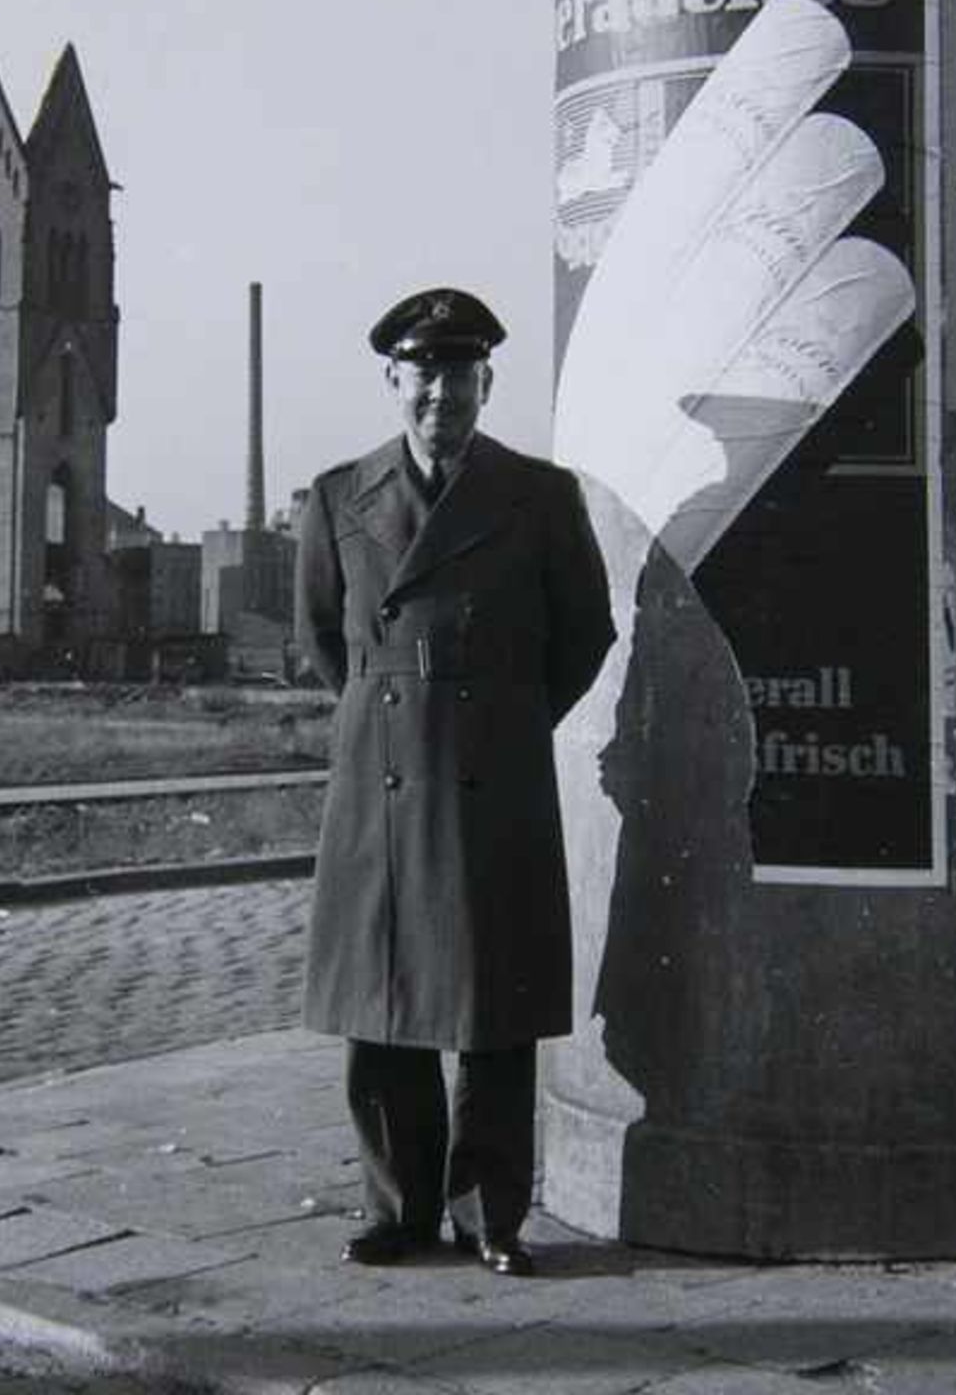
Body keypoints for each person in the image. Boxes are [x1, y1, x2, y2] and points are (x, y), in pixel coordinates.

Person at [296, 286, 614, 1276]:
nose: (443, 393)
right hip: (381, 782)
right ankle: (398, 1210)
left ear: (487, 382)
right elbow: (323, 643)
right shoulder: (338, 496)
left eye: (461, 374)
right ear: (394, 380)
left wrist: (503, 722)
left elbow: (585, 634)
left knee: (492, 1010)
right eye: (424, 374)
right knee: (383, 1006)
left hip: (494, 779)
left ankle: (491, 1219)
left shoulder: (539, 495)